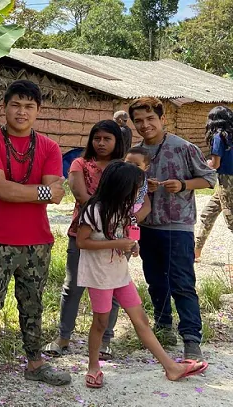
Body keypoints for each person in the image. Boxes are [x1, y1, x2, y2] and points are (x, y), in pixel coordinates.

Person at [0, 80, 70, 396]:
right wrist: (35, 191)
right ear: (4, 107)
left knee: (33, 305)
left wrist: (11, 190)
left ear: (38, 111)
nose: (22, 112)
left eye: (29, 106)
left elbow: (56, 196)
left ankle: (35, 364)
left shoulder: (49, 147)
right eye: (16, 105)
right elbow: (2, 188)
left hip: (37, 241)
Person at [77, 161, 208, 388]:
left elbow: (125, 235)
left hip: (120, 274)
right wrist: (118, 242)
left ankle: (171, 367)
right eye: (137, 188)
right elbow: (81, 241)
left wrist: (132, 246)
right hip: (99, 276)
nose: (139, 193)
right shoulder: (94, 210)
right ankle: (93, 367)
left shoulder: (125, 210)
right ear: (122, 187)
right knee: (101, 322)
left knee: (142, 321)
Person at [43, 120, 144, 360]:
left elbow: (141, 201)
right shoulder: (80, 164)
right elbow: (81, 195)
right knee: (73, 287)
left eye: (107, 139)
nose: (101, 143)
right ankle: (63, 337)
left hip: (118, 238)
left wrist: (129, 222)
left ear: (117, 142)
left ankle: (105, 340)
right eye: (96, 138)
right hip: (83, 233)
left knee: (114, 287)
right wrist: (112, 213)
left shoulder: (124, 167)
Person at [130, 97, 216, 360]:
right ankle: (164, 325)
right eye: (139, 121)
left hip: (178, 228)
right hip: (147, 226)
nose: (145, 125)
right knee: (155, 281)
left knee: (182, 282)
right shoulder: (135, 154)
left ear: (162, 119)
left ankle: (191, 338)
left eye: (150, 119)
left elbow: (209, 178)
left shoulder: (183, 147)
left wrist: (182, 184)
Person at [195, 106, 233, 262]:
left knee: (231, 220)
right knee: (208, 213)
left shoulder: (219, 136)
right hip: (225, 181)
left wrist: (200, 165)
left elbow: (215, 164)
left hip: (227, 180)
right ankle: (196, 251)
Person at [124, 146, 151, 214]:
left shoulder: (140, 179)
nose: (132, 167)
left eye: (137, 165)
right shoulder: (123, 174)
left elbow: (134, 196)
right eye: (128, 163)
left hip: (133, 207)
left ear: (146, 168)